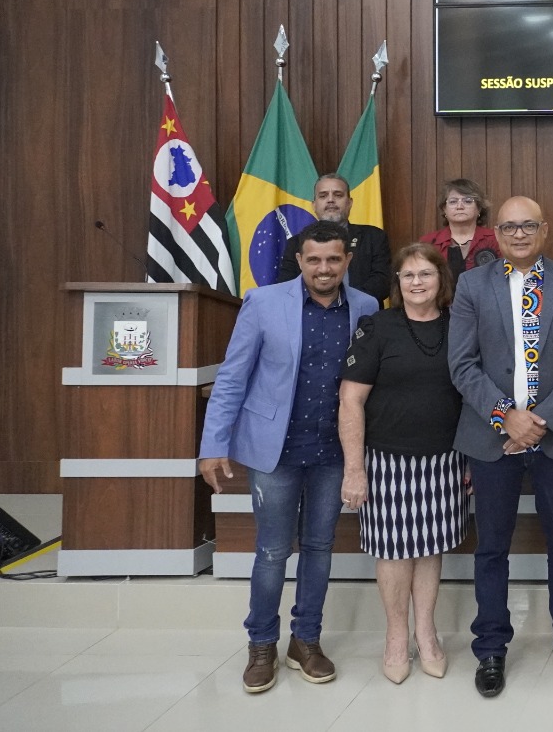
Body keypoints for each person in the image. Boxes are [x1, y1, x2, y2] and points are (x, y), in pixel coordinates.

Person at [198, 220, 380, 693]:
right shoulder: (263, 302)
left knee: (319, 549)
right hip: (274, 450)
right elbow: (233, 377)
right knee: (273, 551)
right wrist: (213, 444)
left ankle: (306, 641)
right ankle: (262, 645)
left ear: (347, 261)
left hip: (332, 451)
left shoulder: (366, 307)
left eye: (333, 259)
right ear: (299, 260)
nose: (324, 268)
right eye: (314, 259)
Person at [449, 196, 553, 699]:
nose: (519, 234)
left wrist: (540, 421)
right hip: (491, 436)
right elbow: (462, 365)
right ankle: (491, 647)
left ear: (545, 230)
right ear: (495, 233)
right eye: (510, 227)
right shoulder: (473, 284)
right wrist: (507, 416)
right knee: (492, 547)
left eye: (529, 226)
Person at [339, 242, 468, 684]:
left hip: (445, 459)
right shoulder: (376, 327)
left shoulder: (459, 326)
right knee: (394, 552)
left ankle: (427, 633)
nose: (416, 282)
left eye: (425, 274)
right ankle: (397, 637)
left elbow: (472, 394)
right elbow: (350, 401)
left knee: (430, 549)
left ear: (441, 281)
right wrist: (354, 469)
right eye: (408, 275)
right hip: (386, 460)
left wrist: (471, 457)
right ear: (397, 282)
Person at [278, 173, 392, 301]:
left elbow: (383, 282)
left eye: (338, 195)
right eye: (323, 195)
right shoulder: (296, 243)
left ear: (349, 203)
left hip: (363, 316)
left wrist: (345, 303)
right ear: (314, 205)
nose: (331, 200)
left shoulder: (373, 237)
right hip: (311, 315)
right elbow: (286, 285)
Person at [418, 178, 498, 282]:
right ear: (444, 209)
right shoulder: (428, 243)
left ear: (479, 208)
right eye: (453, 201)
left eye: (468, 201)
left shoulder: (496, 239)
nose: (459, 206)